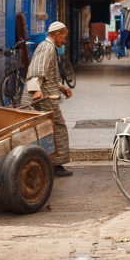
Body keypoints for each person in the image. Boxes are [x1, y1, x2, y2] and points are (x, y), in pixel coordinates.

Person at [22, 21, 74, 177]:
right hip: (43, 98)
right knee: (58, 127)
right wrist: (36, 90)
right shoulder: (48, 47)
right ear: (57, 35)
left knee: (48, 128)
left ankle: (50, 162)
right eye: (64, 37)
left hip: (45, 95)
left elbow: (47, 73)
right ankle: (56, 164)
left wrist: (61, 87)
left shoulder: (48, 46)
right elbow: (36, 70)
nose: (64, 41)